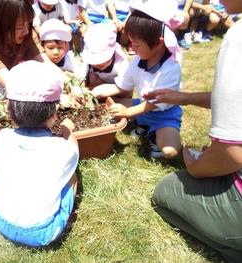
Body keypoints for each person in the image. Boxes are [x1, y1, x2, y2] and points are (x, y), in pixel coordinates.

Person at [148, 0, 242, 260]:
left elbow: (233, 153)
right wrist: (185, 98)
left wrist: (195, 166)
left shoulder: (238, 37)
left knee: (164, 192)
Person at [0, 60, 79, 247]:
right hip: (41, 233)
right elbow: (73, 148)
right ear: (54, 112)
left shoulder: (3, 137)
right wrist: (68, 129)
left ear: (10, 111)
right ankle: (66, 218)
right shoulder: (62, 149)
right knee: (73, 177)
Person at [91, 0, 183, 159]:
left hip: (163, 114)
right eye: (131, 42)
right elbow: (122, 87)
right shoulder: (138, 61)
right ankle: (145, 126)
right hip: (141, 106)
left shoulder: (171, 68)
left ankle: (154, 132)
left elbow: (155, 103)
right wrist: (97, 91)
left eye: (137, 44)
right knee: (107, 105)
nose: (132, 48)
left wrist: (128, 112)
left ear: (159, 43)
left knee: (170, 151)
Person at [81, 22, 128, 88]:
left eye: (102, 60)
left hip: (117, 86)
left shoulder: (121, 62)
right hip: (99, 81)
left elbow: (127, 89)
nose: (99, 63)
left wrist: (106, 89)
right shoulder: (89, 60)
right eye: (95, 60)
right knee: (92, 77)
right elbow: (81, 76)